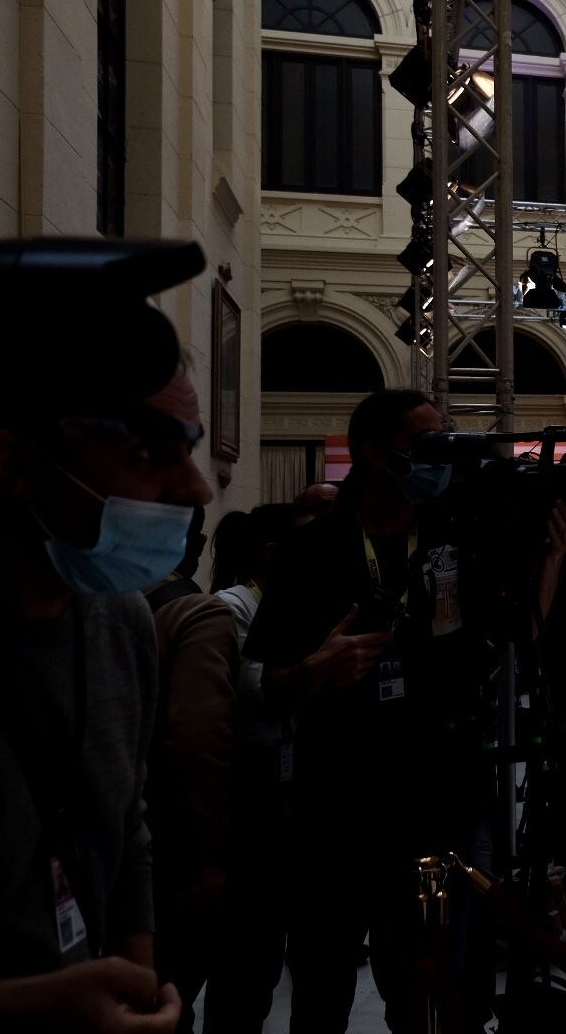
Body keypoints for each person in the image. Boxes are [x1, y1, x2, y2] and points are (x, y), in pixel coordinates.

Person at [0, 360, 215, 1032]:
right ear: (15, 467)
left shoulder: (122, 619)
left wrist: (136, 970)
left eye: (191, 448)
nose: (196, 487)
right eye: (149, 452)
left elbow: (125, 825)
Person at [243, 389, 490, 1032]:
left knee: (424, 988)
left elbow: (509, 637)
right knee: (322, 990)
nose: (440, 458)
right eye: (425, 443)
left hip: (434, 801)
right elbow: (260, 683)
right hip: (335, 811)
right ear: (376, 452)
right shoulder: (311, 551)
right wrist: (314, 673)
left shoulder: (453, 538)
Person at [201, 503, 302, 1033]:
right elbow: (253, 688)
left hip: (283, 780)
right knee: (241, 941)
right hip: (247, 781)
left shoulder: (288, 605)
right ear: (272, 553)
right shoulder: (232, 607)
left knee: (266, 941)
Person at [143, 506, 240, 1032]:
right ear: (196, 543)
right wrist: (211, 856)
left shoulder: (87, 596)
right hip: (173, 843)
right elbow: (201, 741)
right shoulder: (198, 614)